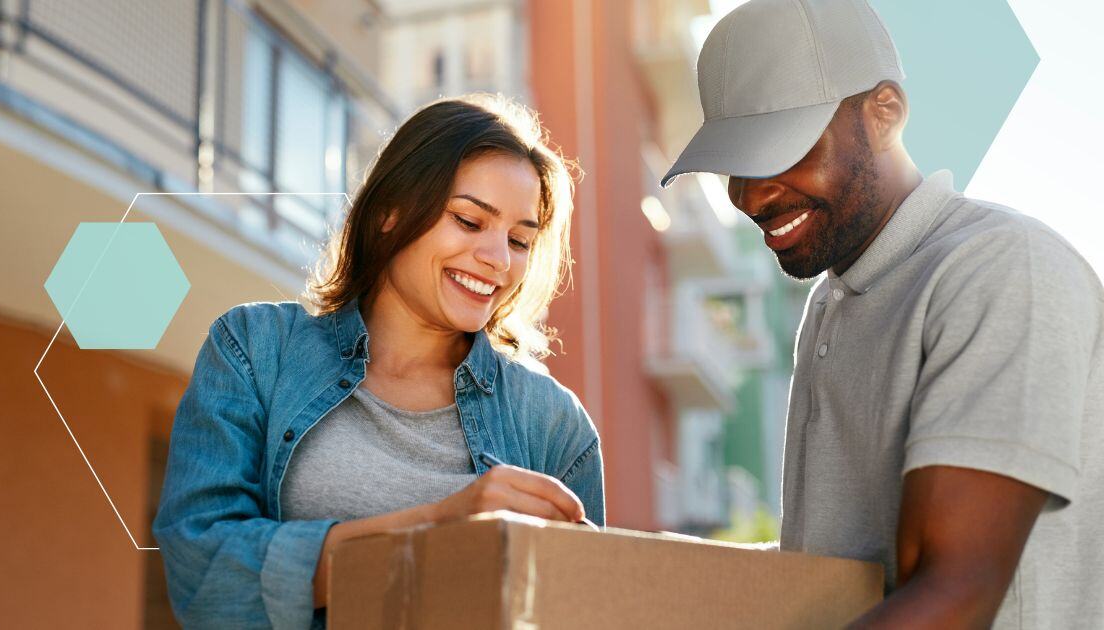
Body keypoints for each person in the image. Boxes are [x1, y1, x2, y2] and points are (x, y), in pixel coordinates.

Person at [662, 0, 1103, 627]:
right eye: (735, 163)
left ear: (885, 114)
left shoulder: (1000, 269)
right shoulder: (834, 300)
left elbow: (954, 594)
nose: (751, 195)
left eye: (780, 150)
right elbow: (843, 566)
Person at [153, 94, 604, 629]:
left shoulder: (554, 424)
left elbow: (581, 611)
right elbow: (202, 575)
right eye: (467, 220)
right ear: (390, 210)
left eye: (519, 240)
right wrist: (438, 527)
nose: (498, 260)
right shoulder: (254, 350)